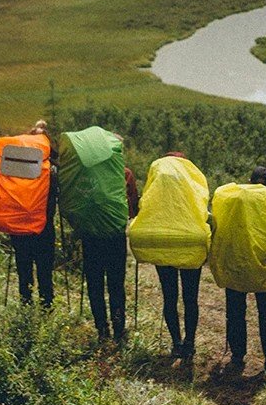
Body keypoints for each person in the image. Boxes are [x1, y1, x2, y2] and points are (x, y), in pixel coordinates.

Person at [80, 137, 140, 344]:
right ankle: (119, 330)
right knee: (116, 284)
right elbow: (133, 207)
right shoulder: (125, 173)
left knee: (94, 284)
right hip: (115, 236)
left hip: (90, 236)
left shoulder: (87, 173)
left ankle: (101, 329)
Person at [224, 165, 266, 377]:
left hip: (236, 264)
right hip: (261, 265)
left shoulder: (235, 197)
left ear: (249, 181)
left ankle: (237, 355)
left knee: (235, 312)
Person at [154, 152, 205, 363]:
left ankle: (176, 343)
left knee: (170, 296)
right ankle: (190, 342)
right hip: (190, 242)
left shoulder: (157, 187)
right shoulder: (192, 183)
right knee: (190, 297)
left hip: (164, 242)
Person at [8, 120, 57, 308]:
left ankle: (26, 308)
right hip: (44, 228)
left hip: (20, 228)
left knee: (24, 271)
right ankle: (47, 308)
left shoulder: (15, 167)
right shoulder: (52, 169)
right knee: (45, 272)